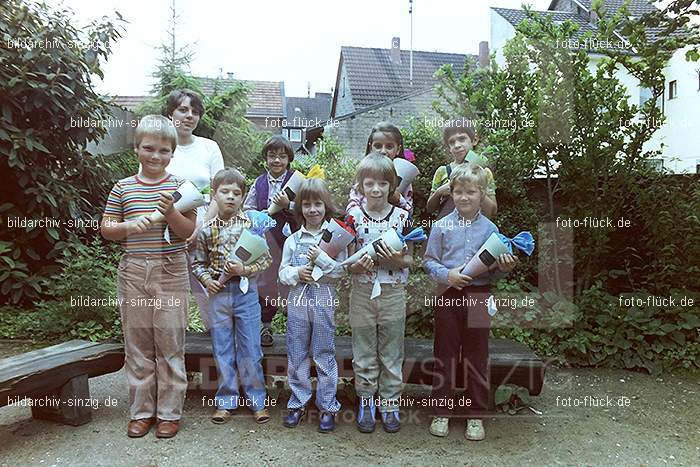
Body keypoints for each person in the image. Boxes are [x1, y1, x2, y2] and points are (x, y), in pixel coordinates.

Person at [101, 115, 196, 439]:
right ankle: (142, 412)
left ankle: (169, 414)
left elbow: (187, 233)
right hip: (134, 271)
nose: (156, 156)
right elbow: (107, 228)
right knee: (138, 345)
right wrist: (128, 226)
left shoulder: (181, 188)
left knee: (170, 344)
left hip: (171, 269)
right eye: (149, 148)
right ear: (137, 148)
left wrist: (170, 213)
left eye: (164, 150)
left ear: (172, 152)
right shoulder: (122, 187)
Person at [423, 164, 516, 441]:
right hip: (448, 296)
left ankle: (476, 414)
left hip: (479, 295)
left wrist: (505, 267)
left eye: (471, 192)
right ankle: (442, 410)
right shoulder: (441, 226)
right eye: (459, 192)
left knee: (477, 354)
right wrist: (447, 274)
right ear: (451, 193)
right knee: (445, 352)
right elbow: (428, 262)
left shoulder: (490, 229)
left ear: (482, 194)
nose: (464, 197)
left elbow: (496, 268)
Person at [191, 168, 273, 425]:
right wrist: (207, 282)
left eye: (236, 193)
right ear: (214, 195)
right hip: (219, 296)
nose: (230, 197)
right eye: (224, 192)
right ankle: (226, 400)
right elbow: (197, 263)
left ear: (243, 196)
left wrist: (245, 269)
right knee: (223, 348)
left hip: (246, 293)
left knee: (251, 348)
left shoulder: (252, 227)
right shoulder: (206, 230)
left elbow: (266, 260)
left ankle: (257, 400)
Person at [346, 153, 415, 434]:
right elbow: (346, 261)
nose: (376, 189)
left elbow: (410, 259)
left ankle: (389, 402)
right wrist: (356, 266)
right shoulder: (352, 217)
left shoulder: (402, 217)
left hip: (392, 291)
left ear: (392, 186)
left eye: (383, 184)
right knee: (363, 350)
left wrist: (395, 260)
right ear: (360, 185)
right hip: (362, 292)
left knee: (391, 351)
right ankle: (366, 400)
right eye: (370, 183)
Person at [279, 179, 346, 433]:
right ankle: (298, 401)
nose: (313, 210)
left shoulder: (335, 237)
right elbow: (282, 273)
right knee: (296, 351)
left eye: (318, 204)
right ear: (300, 208)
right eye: (307, 204)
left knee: (323, 351)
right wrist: (298, 273)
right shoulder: (293, 240)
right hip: (297, 300)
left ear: (325, 206)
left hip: (323, 299)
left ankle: (328, 405)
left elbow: (341, 272)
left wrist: (323, 260)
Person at [165, 88, 225, 330]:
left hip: (205, 231)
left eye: (195, 111)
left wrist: (200, 228)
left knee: (210, 293)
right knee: (172, 296)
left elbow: (219, 193)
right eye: (183, 110)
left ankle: (216, 352)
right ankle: (176, 356)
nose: (190, 116)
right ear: (171, 114)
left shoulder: (209, 148)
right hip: (167, 234)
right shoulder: (161, 147)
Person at [243, 135, 299, 347]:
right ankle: (266, 326)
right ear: (265, 158)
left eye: (282, 156)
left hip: (291, 239)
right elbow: (248, 208)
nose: (277, 161)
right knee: (265, 281)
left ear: (289, 159)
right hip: (266, 240)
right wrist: (256, 216)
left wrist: (288, 205)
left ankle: (295, 325)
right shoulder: (259, 183)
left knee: (290, 279)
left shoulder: (296, 180)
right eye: (272, 156)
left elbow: (307, 207)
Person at [426, 120, 497, 220]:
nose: (457, 145)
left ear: (474, 140)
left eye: (462, 139)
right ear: (449, 148)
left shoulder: (484, 172)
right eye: (452, 142)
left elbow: (492, 212)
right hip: (448, 231)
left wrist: (477, 188)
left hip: (476, 230)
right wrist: (440, 191)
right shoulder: (443, 171)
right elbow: (430, 209)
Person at [346, 122, 414, 215]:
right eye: (378, 146)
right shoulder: (365, 172)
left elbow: (409, 213)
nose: (383, 151)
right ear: (371, 147)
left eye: (389, 146)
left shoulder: (404, 176)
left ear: (398, 149)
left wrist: (398, 199)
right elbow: (352, 205)